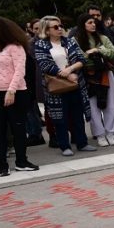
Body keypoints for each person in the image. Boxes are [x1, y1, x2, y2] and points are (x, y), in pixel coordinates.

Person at [33, 16, 96, 156]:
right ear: (47, 30)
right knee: (59, 118)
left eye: (60, 25)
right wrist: (67, 74)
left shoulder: (70, 41)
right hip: (56, 87)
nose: (60, 28)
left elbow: (82, 59)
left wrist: (70, 70)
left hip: (75, 83)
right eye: (55, 27)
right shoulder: (40, 45)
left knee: (77, 115)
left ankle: (82, 143)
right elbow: (45, 65)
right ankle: (64, 146)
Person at [0, 17, 39, 175]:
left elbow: (20, 71)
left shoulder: (16, 47)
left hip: (16, 93)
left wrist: (11, 90)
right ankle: (2, 165)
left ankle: (21, 161)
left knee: (18, 128)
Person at [73, 13, 114, 147]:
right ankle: (99, 134)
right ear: (82, 24)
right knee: (93, 107)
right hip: (88, 75)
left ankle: (110, 132)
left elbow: (113, 53)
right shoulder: (76, 40)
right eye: (89, 22)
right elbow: (79, 57)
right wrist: (90, 54)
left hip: (105, 73)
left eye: (94, 22)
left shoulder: (103, 38)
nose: (93, 25)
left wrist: (98, 50)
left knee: (110, 104)